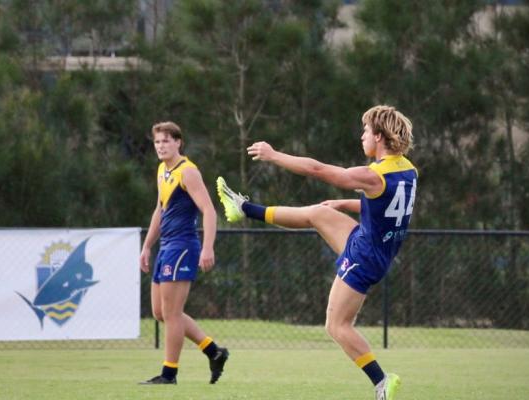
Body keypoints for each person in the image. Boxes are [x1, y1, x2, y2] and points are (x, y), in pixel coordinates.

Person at [216, 105, 415, 400]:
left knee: (336, 325)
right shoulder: (407, 169)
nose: (362, 136)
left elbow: (317, 170)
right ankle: (243, 208)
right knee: (316, 214)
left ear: (380, 136)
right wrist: (342, 203)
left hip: (365, 256)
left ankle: (381, 380)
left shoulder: (374, 176)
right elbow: (384, 207)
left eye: (365, 131)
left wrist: (273, 155)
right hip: (373, 245)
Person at [139, 121, 229, 385]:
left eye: (166, 140)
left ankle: (169, 374)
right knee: (160, 312)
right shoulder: (161, 171)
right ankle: (214, 352)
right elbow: (160, 210)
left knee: (172, 313)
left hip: (183, 246)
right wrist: (146, 246)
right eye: (157, 142)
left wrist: (208, 246)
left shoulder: (187, 172)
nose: (161, 146)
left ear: (178, 142)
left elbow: (210, 211)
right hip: (166, 246)